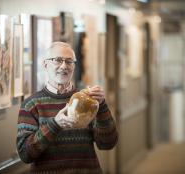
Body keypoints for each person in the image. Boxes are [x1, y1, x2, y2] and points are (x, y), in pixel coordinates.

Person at [16, 42, 118, 174]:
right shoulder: (31, 104)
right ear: (45, 65)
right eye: (57, 60)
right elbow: (25, 154)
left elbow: (108, 143)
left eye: (69, 61)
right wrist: (54, 125)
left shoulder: (87, 101)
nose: (64, 66)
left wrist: (102, 105)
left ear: (74, 66)